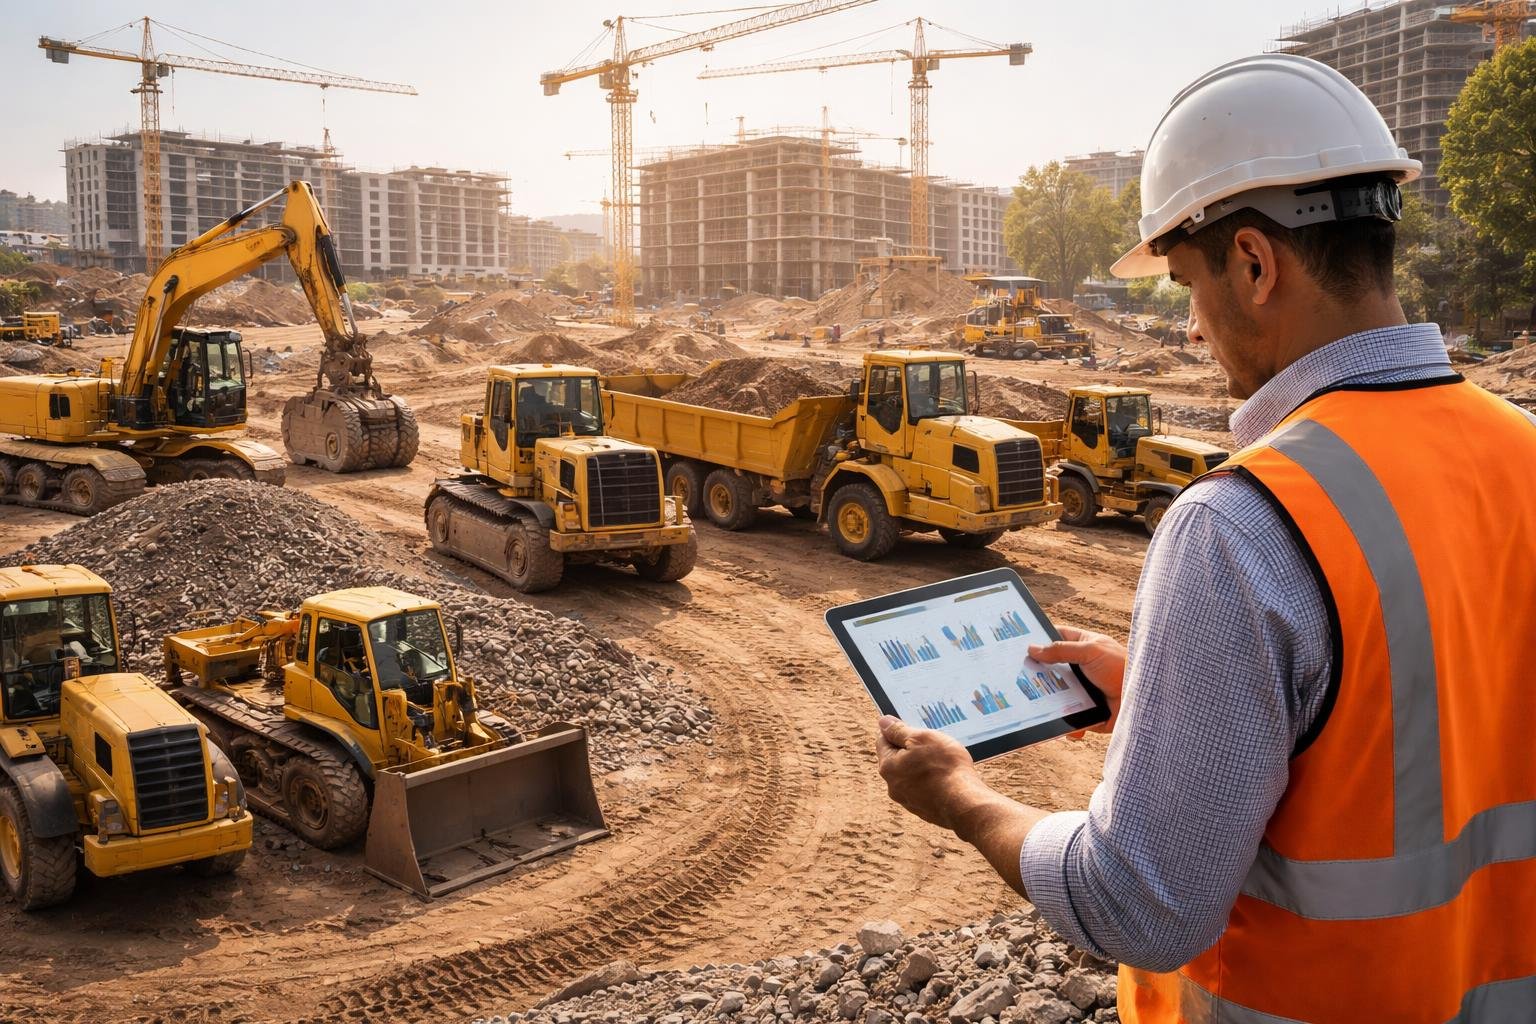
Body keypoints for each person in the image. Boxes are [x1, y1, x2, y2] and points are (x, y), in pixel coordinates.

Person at [876, 53, 1536, 1023]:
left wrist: (963, 797)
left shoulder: (1242, 524)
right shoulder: (1522, 451)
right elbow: (1424, 708)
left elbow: (1138, 899)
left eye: (1185, 283)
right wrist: (1163, 684)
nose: (1190, 329)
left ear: (1255, 265)